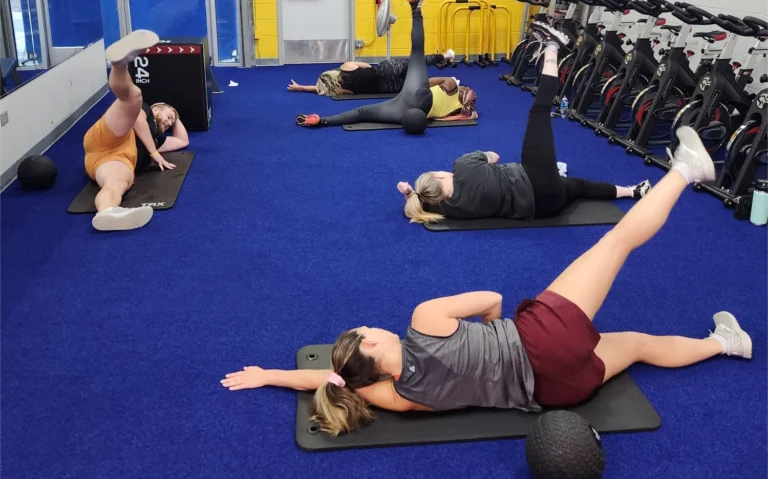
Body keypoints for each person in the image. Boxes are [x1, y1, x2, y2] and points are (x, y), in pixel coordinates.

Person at [221, 125, 753, 436]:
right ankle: (686, 169)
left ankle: (725, 343)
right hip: (541, 339)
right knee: (614, 242)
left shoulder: (395, 396)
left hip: (554, 392)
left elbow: (333, 383)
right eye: (365, 330)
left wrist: (271, 376)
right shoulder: (423, 321)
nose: (370, 326)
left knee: (636, 345)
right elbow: (493, 299)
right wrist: (498, 331)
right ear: (374, 342)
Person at [396, 21, 650, 223]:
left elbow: (423, 201)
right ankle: (552, 48)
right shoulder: (463, 167)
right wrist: (414, 188)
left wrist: (412, 194)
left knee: (579, 186)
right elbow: (493, 156)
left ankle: (633, 192)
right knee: (539, 111)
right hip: (536, 180)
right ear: (439, 178)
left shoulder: (448, 208)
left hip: (545, 208)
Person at [296, 0, 476, 133]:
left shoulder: (453, 87)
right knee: (363, 112)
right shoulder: (454, 111)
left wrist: (423, 84)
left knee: (417, 53)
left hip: (414, 95)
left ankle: (416, 8)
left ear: (463, 92)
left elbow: (436, 81)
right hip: (402, 109)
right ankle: (324, 120)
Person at [82, 30, 187, 232]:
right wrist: (154, 153)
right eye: (167, 116)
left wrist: (176, 119)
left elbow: (182, 141)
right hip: (113, 136)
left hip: (112, 160)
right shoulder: (147, 111)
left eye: (169, 123)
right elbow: (137, 120)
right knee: (133, 97)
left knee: (117, 183)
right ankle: (120, 64)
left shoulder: (157, 139)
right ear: (157, 107)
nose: (166, 123)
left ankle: (106, 212)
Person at [287, 52, 455, 97]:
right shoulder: (346, 66)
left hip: (387, 88)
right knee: (418, 61)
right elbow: (367, 65)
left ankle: (451, 81)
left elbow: (318, 89)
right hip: (389, 69)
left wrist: (300, 87)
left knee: (421, 83)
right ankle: (445, 56)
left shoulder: (342, 91)